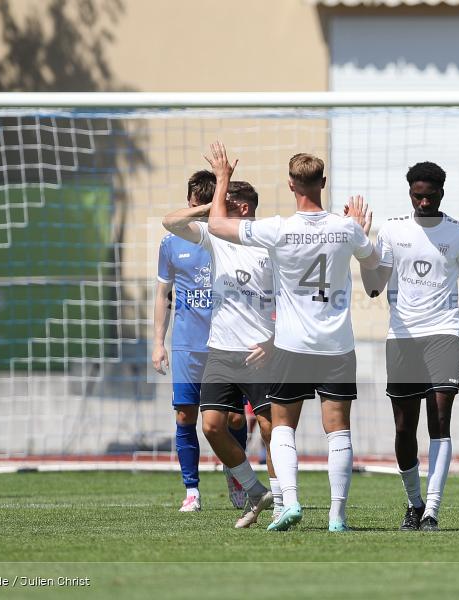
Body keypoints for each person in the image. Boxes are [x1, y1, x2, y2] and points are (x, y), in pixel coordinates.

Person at [206, 142, 380, 532]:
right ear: (323, 182)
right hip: (336, 346)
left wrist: (222, 180)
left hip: (292, 346)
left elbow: (217, 225)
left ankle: (291, 502)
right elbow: (376, 276)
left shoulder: (278, 228)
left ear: (290, 185)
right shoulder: (345, 227)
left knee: (283, 428)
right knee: (338, 429)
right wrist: (361, 237)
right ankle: (337, 517)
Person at [361, 161, 459, 531]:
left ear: (442, 193)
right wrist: (364, 250)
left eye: (430, 196)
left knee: (440, 421)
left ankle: (432, 511)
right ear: (409, 193)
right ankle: (414, 503)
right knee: (403, 428)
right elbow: (374, 288)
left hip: (444, 335)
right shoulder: (393, 231)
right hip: (402, 339)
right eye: (417, 196)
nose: (423, 202)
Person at [163, 178, 278, 528]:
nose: (216, 212)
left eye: (223, 205)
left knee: (273, 429)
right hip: (221, 350)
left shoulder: (269, 244)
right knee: (211, 426)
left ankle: (284, 498)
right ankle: (255, 491)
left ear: (242, 209)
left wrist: (273, 342)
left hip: (258, 352)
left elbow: (290, 299)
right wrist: (212, 198)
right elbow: (171, 222)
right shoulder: (217, 238)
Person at [153, 170, 247, 512]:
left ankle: (236, 478)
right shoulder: (171, 242)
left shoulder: (226, 238)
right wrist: (157, 342)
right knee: (184, 416)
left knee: (234, 419)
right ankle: (192, 491)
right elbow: (163, 294)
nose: (194, 209)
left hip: (225, 343)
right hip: (186, 346)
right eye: (193, 204)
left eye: (200, 204)